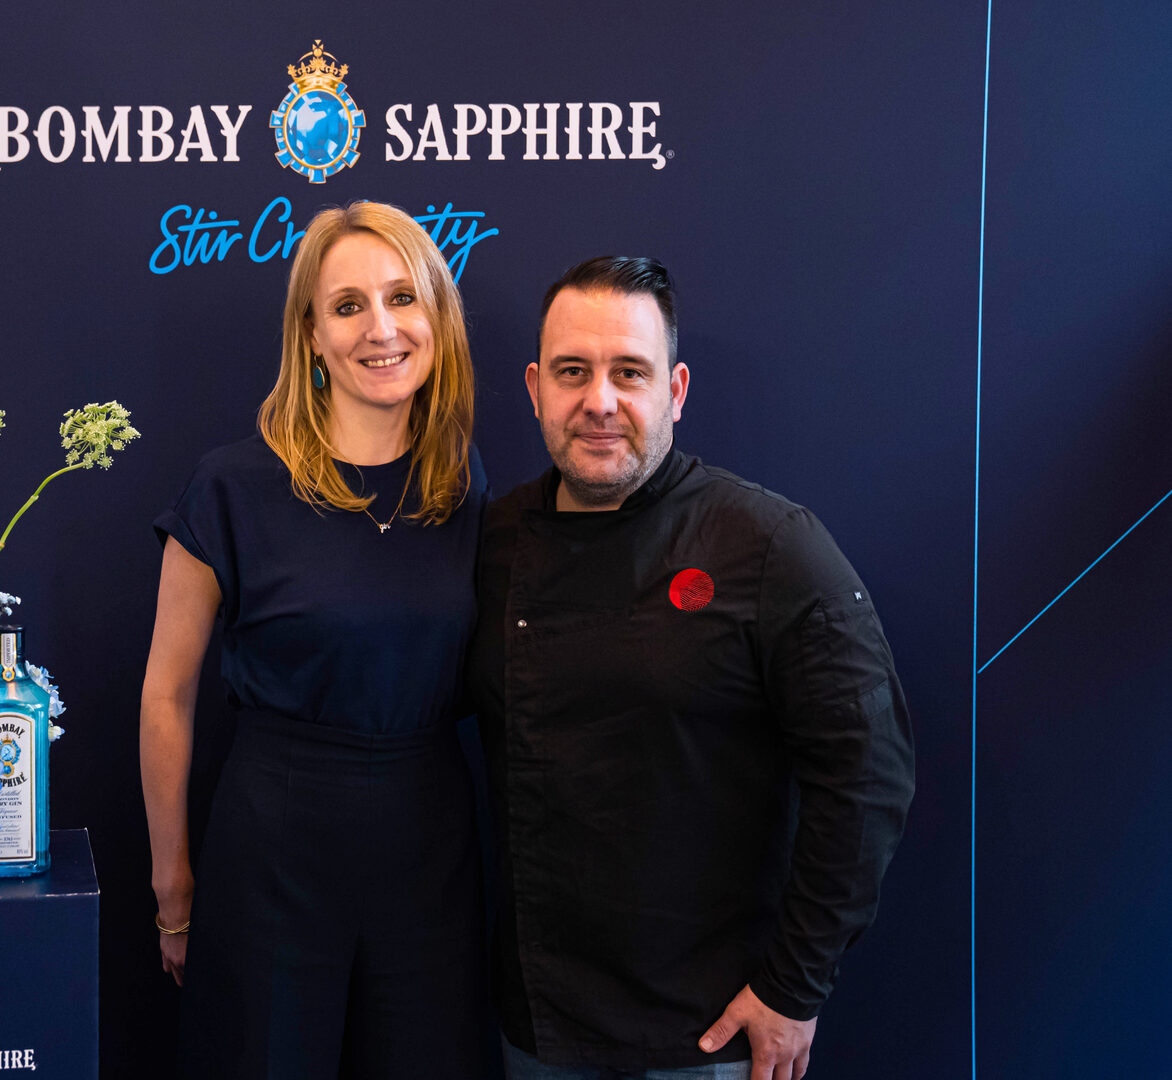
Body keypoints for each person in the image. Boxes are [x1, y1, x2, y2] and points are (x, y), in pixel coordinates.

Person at [468, 257, 915, 1080]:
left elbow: (869, 771)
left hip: (706, 1035)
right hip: (538, 1029)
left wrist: (794, 985)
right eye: (573, 372)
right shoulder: (493, 542)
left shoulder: (769, 544)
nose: (600, 401)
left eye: (629, 372)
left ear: (674, 391)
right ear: (535, 389)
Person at [140, 201, 488, 1079]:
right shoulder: (231, 487)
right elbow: (167, 695)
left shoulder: (462, 482)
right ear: (312, 335)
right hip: (274, 850)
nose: (382, 329)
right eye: (347, 306)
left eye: (403, 298)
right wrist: (173, 885)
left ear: (437, 316)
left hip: (430, 852)